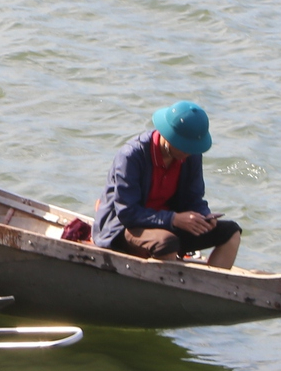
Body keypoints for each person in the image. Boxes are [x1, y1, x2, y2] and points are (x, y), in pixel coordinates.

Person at [92, 102, 242, 268]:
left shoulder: (191, 156)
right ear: (169, 137)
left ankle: (213, 287)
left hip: (170, 224)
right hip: (125, 228)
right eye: (185, 147)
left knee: (231, 232)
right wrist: (173, 219)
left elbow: (193, 198)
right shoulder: (131, 156)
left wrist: (203, 216)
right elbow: (127, 212)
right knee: (167, 243)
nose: (188, 153)